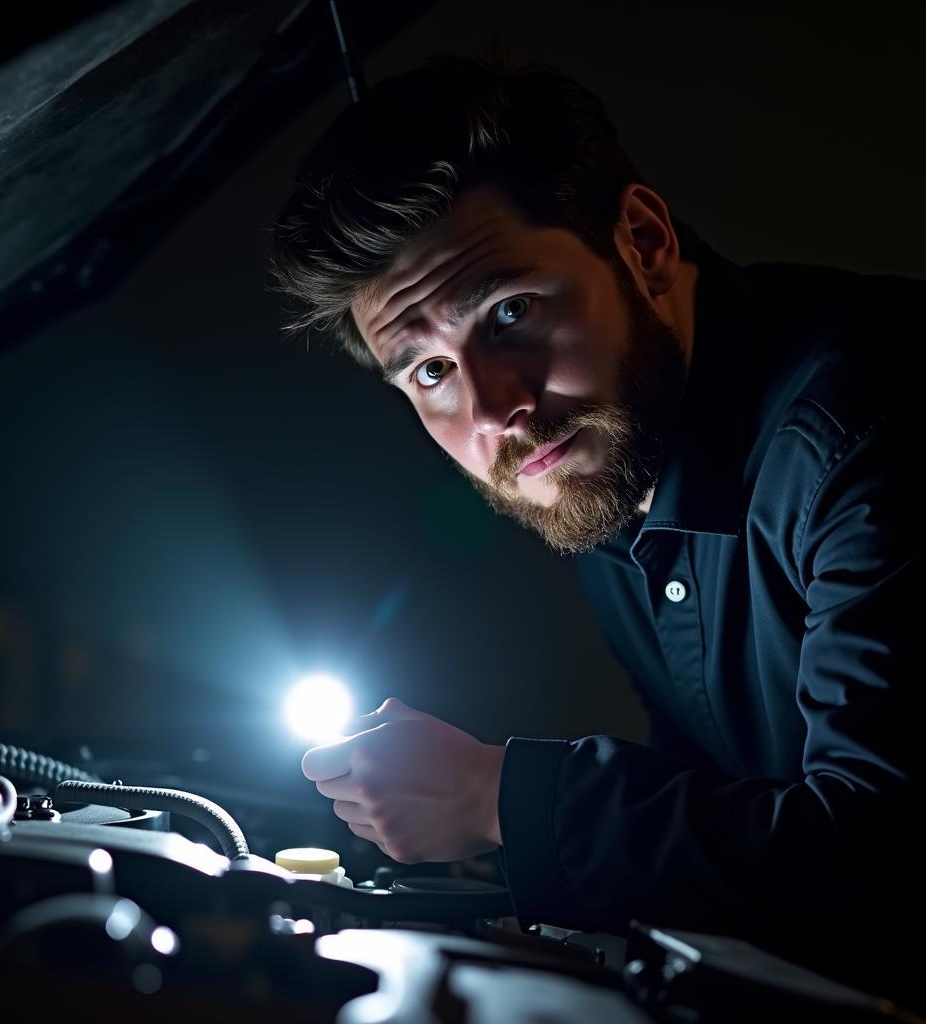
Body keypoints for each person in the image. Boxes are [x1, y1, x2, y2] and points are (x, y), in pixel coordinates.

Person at [269, 55, 922, 1002]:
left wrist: (496, 799)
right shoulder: (611, 460)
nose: (498, 411)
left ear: (645, 243)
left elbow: (884, 867)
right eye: (428, 373)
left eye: (510, 313)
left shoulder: (872, 431)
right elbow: (730, 812)